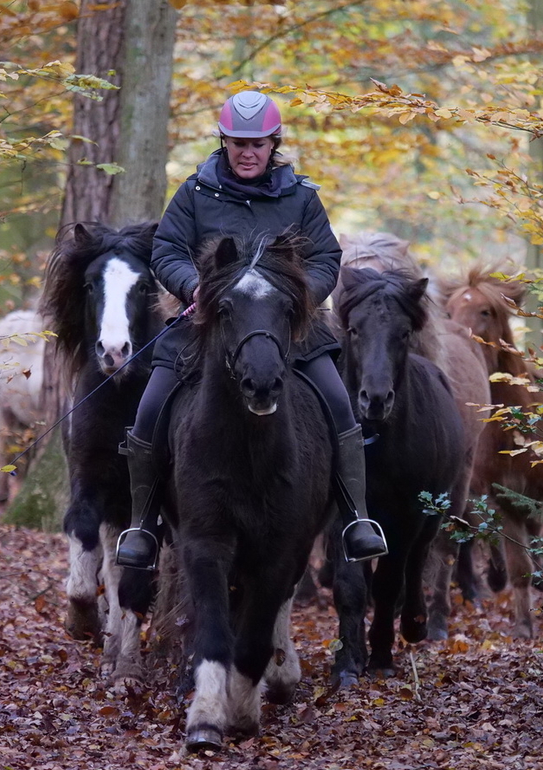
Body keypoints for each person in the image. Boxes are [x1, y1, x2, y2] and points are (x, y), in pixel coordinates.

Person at [115, 90, 387, 570]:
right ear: (224, 141)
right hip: (205, 325)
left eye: (258, 143)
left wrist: (300, 297)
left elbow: (327, 257)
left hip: (288, 328)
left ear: (273, 144)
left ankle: (355, 518)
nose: (247, 152)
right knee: (151, 407)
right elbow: (166, 251)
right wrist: (192, 285)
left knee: (339, 404)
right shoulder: (194, 194)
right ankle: (143, 523)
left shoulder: (301, 195)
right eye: (238, 142)